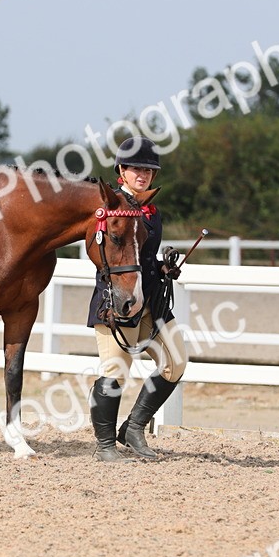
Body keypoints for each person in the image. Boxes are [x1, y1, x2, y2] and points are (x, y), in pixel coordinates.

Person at [85, 137, 188, 462]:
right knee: (115, 371)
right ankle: (104, 445)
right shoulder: (110, 206)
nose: (142, 174)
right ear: (121, 171)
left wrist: (162, 266)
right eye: (135, 168)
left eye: (148, 170)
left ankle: (133, 428)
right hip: (119, 300)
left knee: (175, 363)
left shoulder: (151, 210)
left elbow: (141, 254)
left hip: (152, 299)